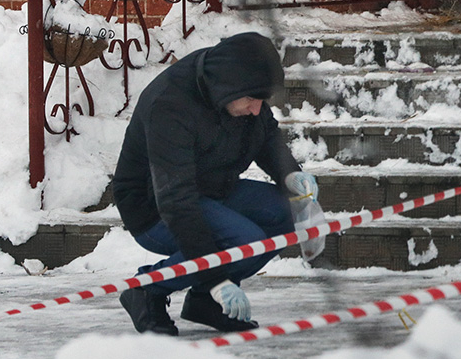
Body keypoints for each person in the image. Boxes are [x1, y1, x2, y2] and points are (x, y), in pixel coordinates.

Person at [112, 31, 317, 335]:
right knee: (244, 241)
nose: (257, 109)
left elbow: (267, 136)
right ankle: (147, 290)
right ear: (226, 88)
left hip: (212, 188)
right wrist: (216, 281)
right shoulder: (170, 105)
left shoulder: (238, 84)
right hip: (155, 206)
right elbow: (176, 202)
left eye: (263, 100)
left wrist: (289, 174)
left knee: (285, 214)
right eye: (251, 100)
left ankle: (203, 303)